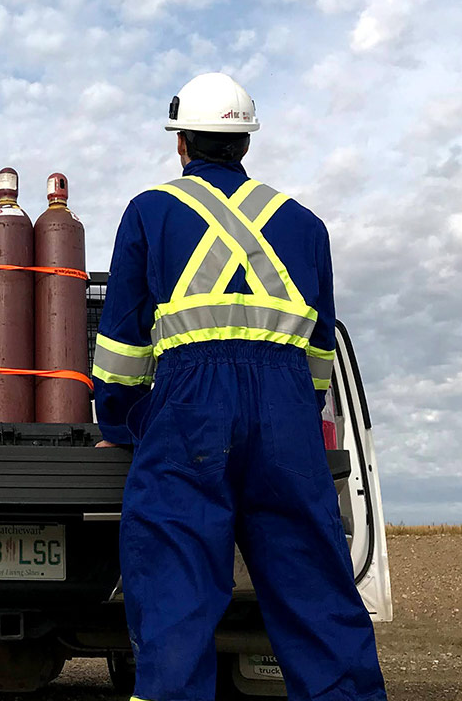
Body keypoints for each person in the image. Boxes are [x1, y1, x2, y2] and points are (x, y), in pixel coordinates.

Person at [92, 72, 387, 701]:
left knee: (177, 583)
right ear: (245, 143)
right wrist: (295, 422)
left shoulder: (150, 211)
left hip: (188, 411)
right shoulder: (306, 225)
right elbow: (318, 348)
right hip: (285, 417)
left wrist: (121, 425)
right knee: (311, 579)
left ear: (182, 143)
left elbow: (120, 348)